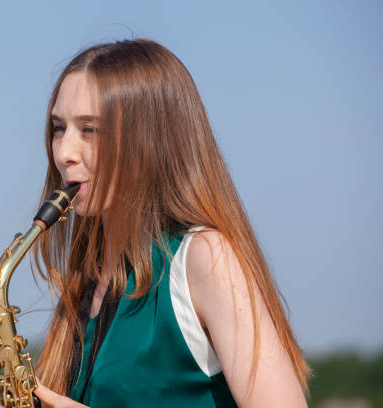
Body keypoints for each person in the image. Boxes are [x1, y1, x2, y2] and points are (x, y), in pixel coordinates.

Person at [30, 39, 310, 407]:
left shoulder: (203, 257)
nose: (64, 153)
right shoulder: (87, 283)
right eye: (58, 128)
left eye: (90, 130)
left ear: (150, 140)